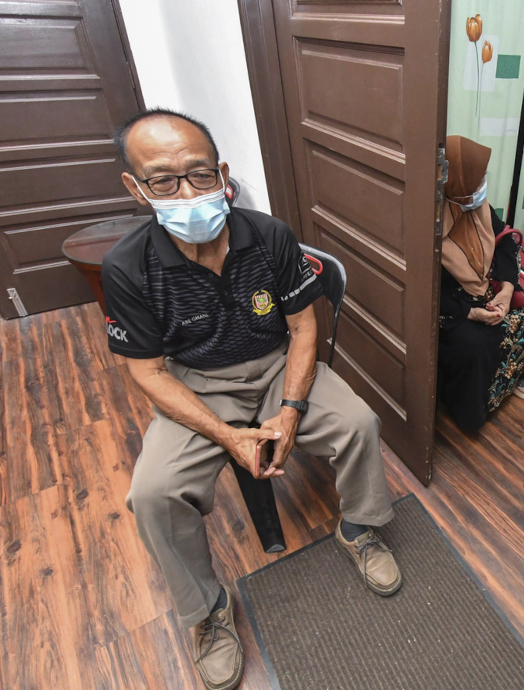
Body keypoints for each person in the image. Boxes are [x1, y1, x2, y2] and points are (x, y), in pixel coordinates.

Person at [102, 109, 401, 690]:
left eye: (200, 173)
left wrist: (289, 411)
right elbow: (147, 372)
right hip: (193, 381)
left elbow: (305, 330)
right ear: (135, 189)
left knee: (359, 423)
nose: (187, 192)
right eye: (163, 180)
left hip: (273, 365)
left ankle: (359, 527)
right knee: (153, 493)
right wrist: (229, 435)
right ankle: (207, 610)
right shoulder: (126, 266)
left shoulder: (269, 237)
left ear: (224, 173)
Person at [437, 136, 524, 432]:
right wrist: (468, 312)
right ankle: (472, 413)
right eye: (478, 176)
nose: (483, 182)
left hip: (488, 290)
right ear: (457, 180)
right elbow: (423, 292)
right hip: (448, 305)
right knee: (474, 343)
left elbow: (506, 241)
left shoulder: (476, 206)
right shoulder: (428, 224)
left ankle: (513, 380)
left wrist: (508, 289)